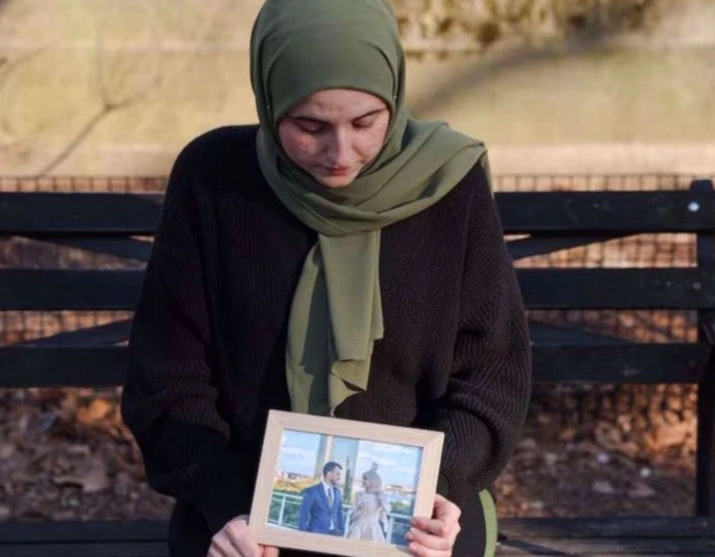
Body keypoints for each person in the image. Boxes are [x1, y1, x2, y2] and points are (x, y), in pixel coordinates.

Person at [120, 0, 532, 556]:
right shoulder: (214, 180)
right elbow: (168, 378)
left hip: (422, 512)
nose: (340, 153)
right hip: (242, 511)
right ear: (270, 102)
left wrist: (440, 490)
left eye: (365, 122)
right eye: (309, 126)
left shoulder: (448, 184)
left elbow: (490, 373)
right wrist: (226, 501)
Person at [346, 463, 391, 543]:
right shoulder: (359, 494)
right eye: (363, 479)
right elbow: (353, 511)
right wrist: (358, 513)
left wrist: (380, 495)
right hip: (357, 526)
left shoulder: (380, 496)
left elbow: (387, 509)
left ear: (373, 480)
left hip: (372, 528)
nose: (363, 481)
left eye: (365, 479)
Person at [297, 462, 345, 536]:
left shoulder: (337, 492)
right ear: (329, 474)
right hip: (316, 534)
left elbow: (339, 513)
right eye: (337, 474)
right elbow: (303, 514)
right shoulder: (312, 491)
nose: (339, 477)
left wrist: (341, 531)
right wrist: (304, 534)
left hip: (334, 534)